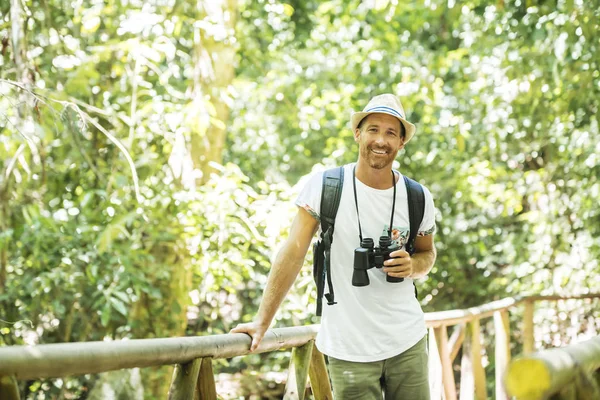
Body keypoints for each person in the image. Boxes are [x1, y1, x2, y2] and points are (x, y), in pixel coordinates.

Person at [231, 93, 437, 400]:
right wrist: (263, 321)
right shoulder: (325, 186)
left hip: (407, 341)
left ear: (402, 142)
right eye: (373, 129)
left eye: (391, 133)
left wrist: (412, 266)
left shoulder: (417, 196)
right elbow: (293, 251)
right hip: (348, 348)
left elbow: (427, 253)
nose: (381, 140)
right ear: (357, 133)